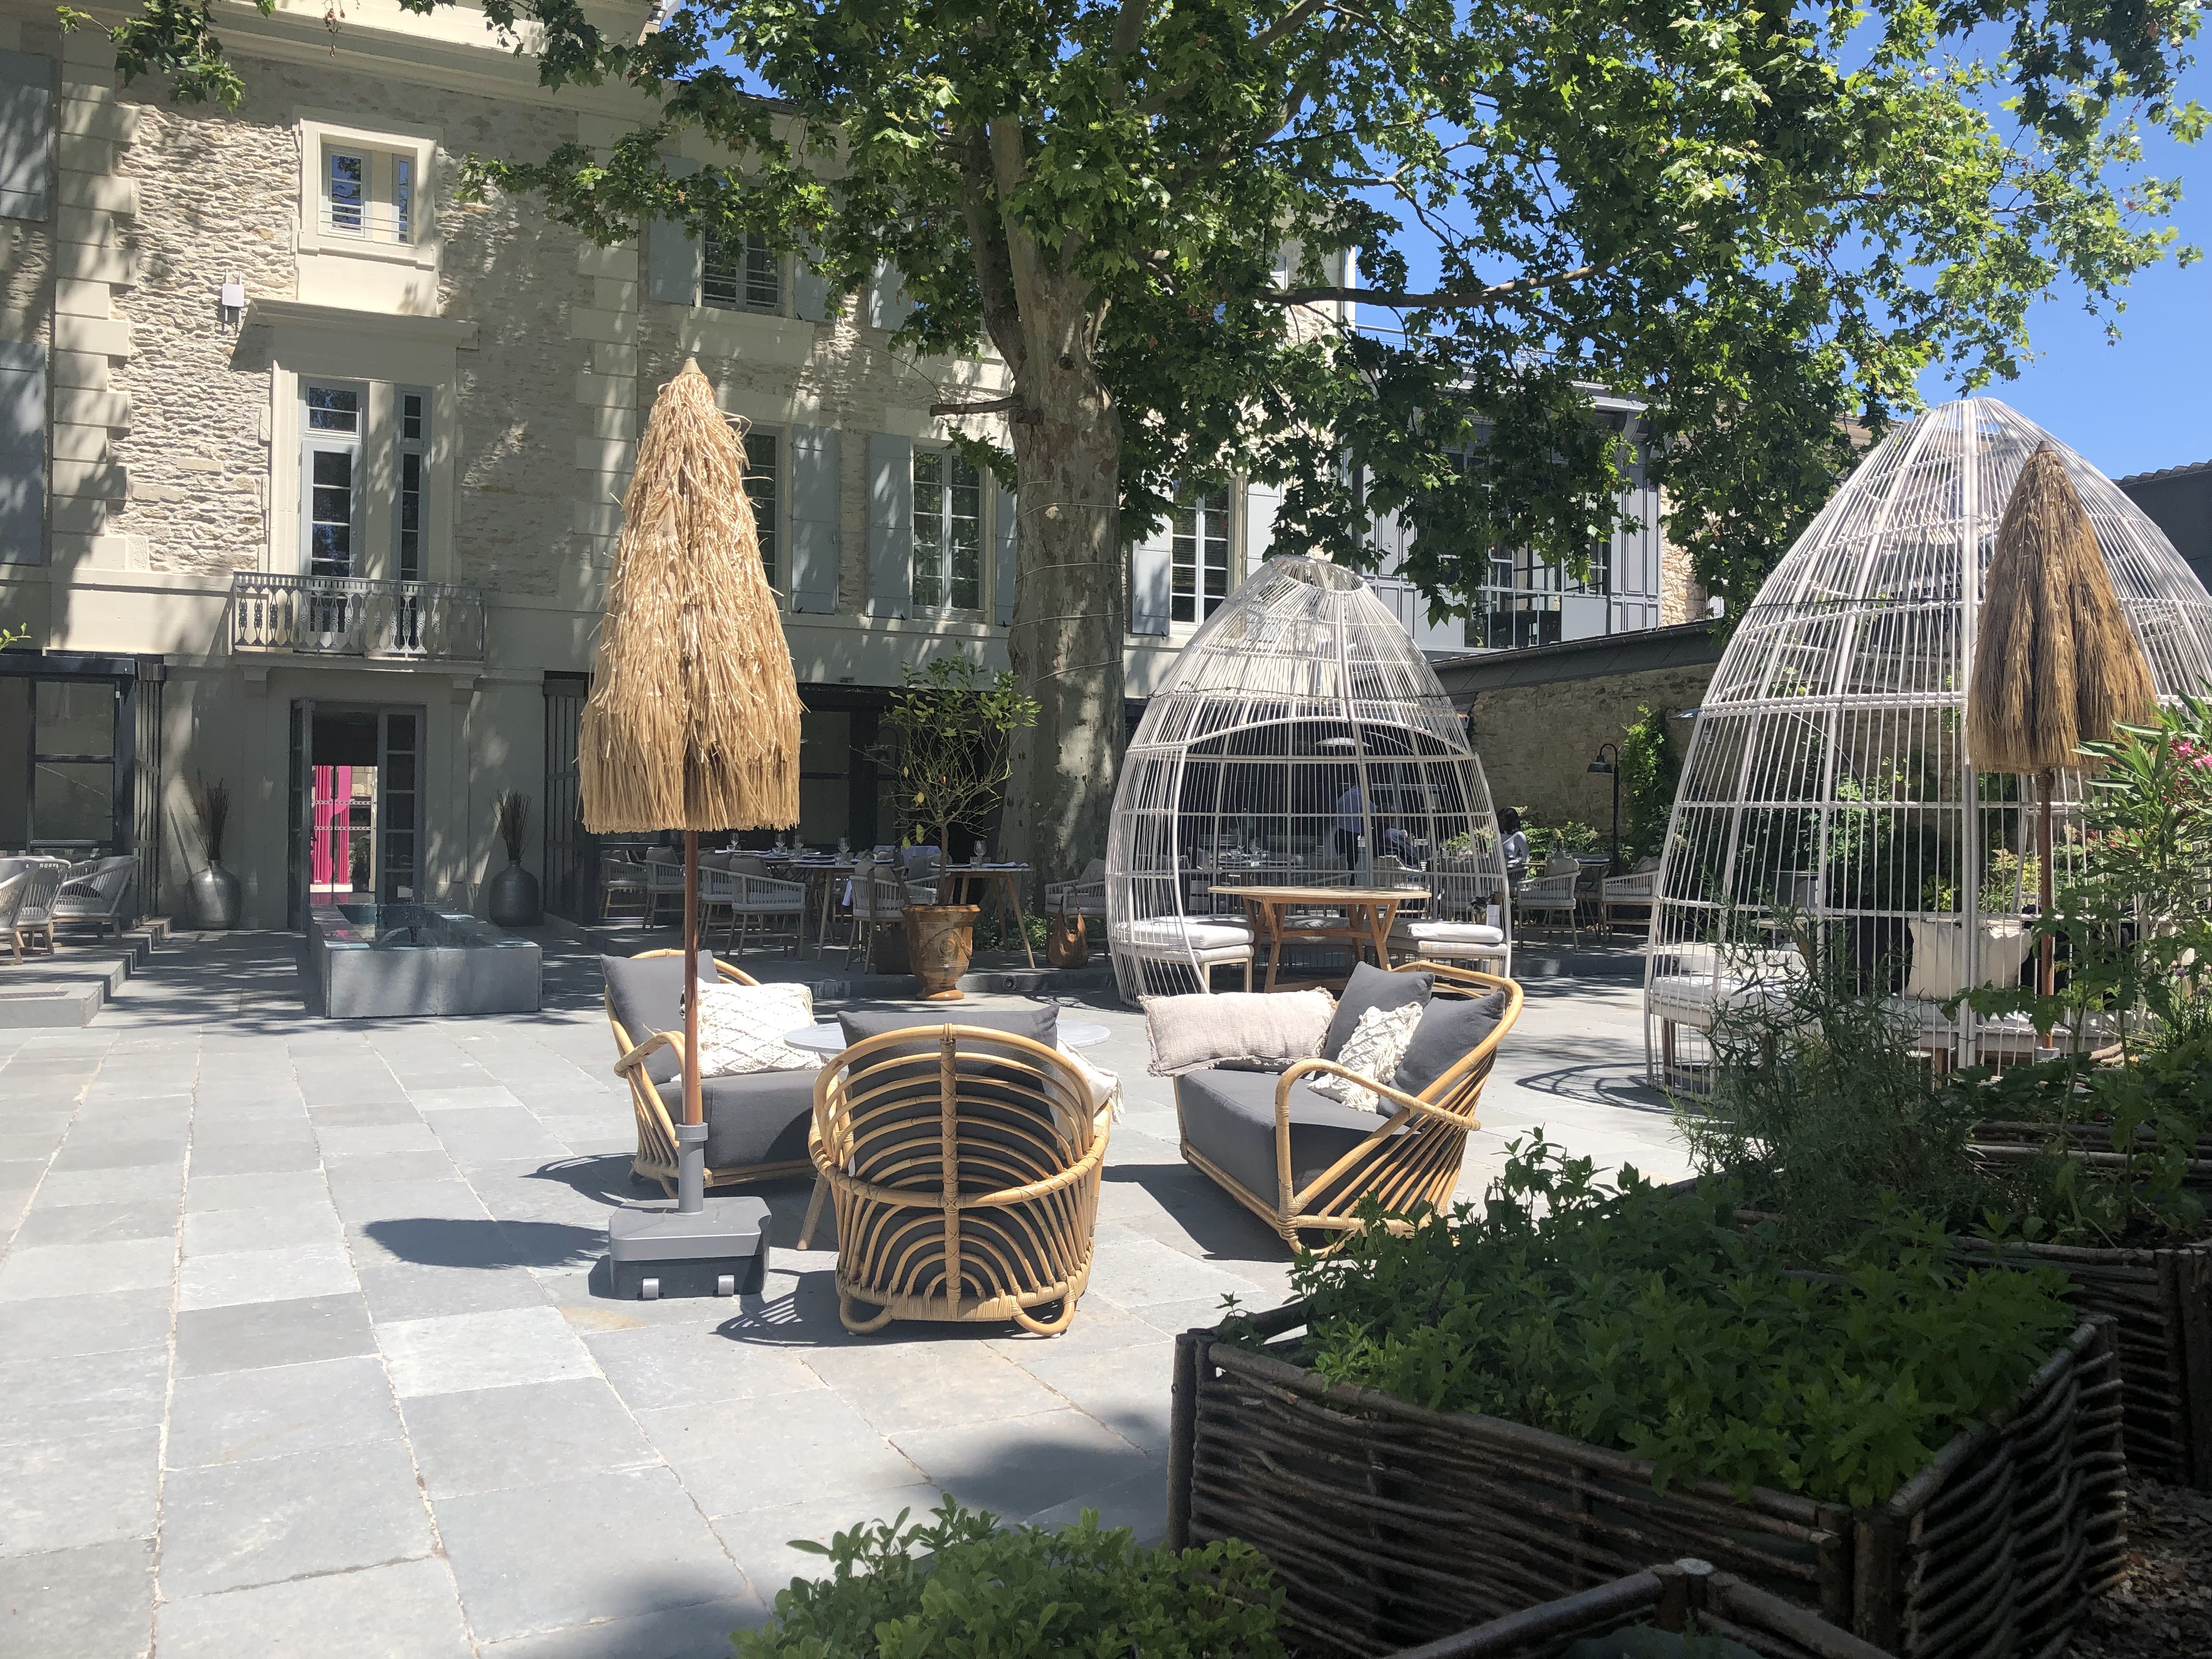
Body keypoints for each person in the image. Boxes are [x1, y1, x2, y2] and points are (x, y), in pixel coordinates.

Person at [1332, 783, 1364, 869]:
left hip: (1340, 833)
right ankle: (1351, 876)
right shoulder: (1360, 795)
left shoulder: (1345, 795)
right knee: (1352, 863)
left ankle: (1344, 876)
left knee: (1342, 863)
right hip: (1351, 835)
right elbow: (1373, 810)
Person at [1499, 808, 1530, 889]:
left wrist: (1515, 862)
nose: (1500, 822)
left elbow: (1526, 857)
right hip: (1496, 869)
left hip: (1510, 873)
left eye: (1503, 820)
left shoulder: (1519, 836)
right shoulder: (1501, 835)